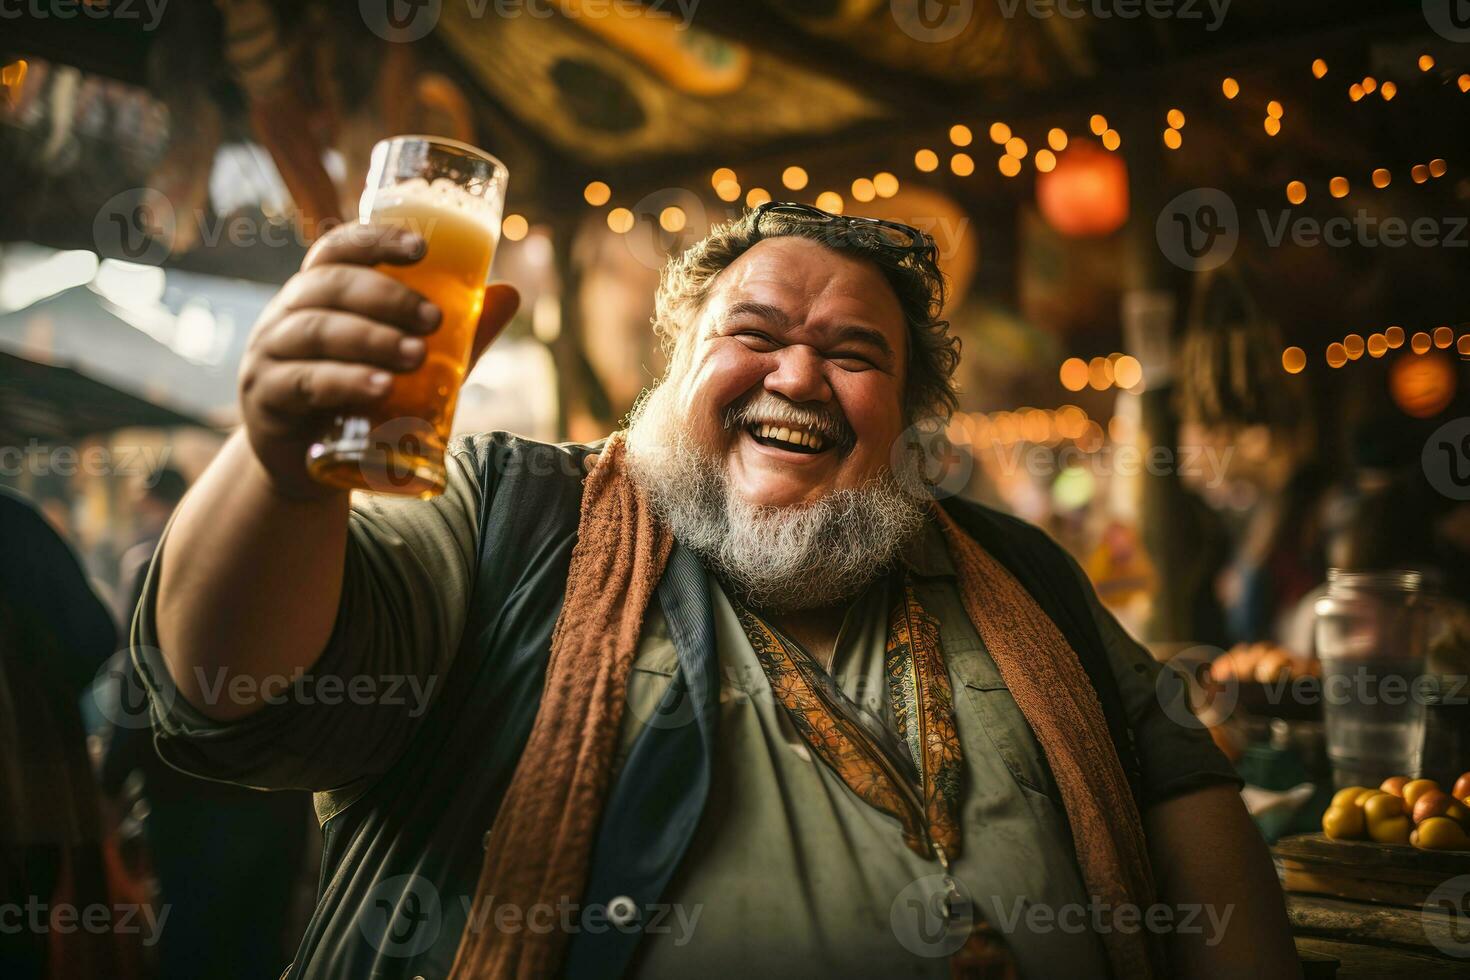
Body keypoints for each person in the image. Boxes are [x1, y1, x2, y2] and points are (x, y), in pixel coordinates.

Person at [132, 204, 1300, 979]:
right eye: (757, 332)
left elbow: (1178, 778)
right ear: (673, 370)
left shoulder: (1022, 570)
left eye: (856, 352)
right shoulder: (515, 516)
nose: (800, 372)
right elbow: (230, 689)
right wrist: (281, 470)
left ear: (910, 419)